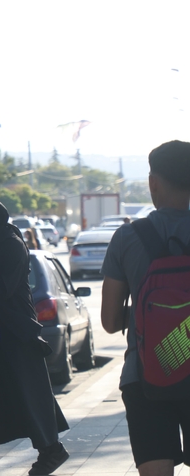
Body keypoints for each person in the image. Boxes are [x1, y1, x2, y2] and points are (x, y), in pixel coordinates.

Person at [0, 198, 69, 476]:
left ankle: (51, 452)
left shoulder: (11, 245)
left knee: (28, 396)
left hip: (16, 334)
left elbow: (1, 289)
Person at [100, 140, 190, 476]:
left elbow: (109, 321)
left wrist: (150, 313)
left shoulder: (128, 237)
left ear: (153, 183)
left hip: (146, 375)